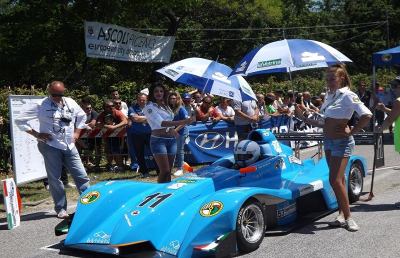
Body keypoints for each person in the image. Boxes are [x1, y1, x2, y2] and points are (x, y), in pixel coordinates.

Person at [295, 64, 372, 231]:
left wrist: (353, 130)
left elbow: (367, 115)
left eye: (332, 78)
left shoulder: (348, 95)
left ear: (341, 78)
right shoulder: (329, 96)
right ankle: (341, 214)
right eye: (327, 79)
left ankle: (349, 217)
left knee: (334, 180)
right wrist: (303, 117)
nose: (329, 81)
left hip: (342, 142)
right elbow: (323, 122)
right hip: (328, 141)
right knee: (340, 180)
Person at [15, 81, 90, 219]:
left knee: (81, 175)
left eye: (60, 94)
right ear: (49, 92)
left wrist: (77, 133)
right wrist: (37, 134)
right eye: (54, 94)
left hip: (69, 145)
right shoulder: (41, 105)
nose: (57, 97)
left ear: (64, 91)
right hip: (50, 146)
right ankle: (61, 209)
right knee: (55, 179)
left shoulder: (70, 102)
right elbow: (19, 120)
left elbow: (82, 116)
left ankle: (90, 204)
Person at [143, 83, 193, 183]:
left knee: (168, 171)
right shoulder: (149, 107)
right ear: (152, 93)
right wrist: (184, 121)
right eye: (156, 91)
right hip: (158, 140)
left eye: (161, 91)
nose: (159, 93)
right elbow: (162, 123)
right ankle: (158, 193)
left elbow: (169, 124)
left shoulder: (166, 106)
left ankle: (166, 192)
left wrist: (174, 132)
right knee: (164, 171)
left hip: (172, 140)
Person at [96, 100, 128, 172]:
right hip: (106, 136)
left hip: (118, 136)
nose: (111, 108)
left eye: (112, 106)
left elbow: (125, 121)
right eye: (108, 107)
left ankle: (120, 166)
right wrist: (106, 126)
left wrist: (115, 127)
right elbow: (98, 124)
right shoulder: (102, 114)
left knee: (117, 151)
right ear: (104, 108)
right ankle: (110, 165)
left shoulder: (117, 112)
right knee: (108, 151)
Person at [127, 93, 152, 177]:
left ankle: (159, 171)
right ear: (137, 100)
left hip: (150, 134)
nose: (142, 101)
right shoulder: (132, 108)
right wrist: (147, 118)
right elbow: (135, 118)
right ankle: (144, 172)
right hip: (137, 134)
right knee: (139, 154)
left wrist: (141, 118)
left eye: (144, 100)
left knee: (155, 152)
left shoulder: (151, 108)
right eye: (140, 100)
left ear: (147, 100)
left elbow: (154, 118)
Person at [168, 91, 191, 176]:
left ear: (177, 99)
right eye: (170, 98)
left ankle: (180, 168)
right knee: (172, 150)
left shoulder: (181, 108)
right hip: (172, 133)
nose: (172, 100)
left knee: (179, 150)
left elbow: (184, 122)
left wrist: (175, 130)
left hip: (181, 132)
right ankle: (176, 166)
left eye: (174, 98)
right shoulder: (169, 108)